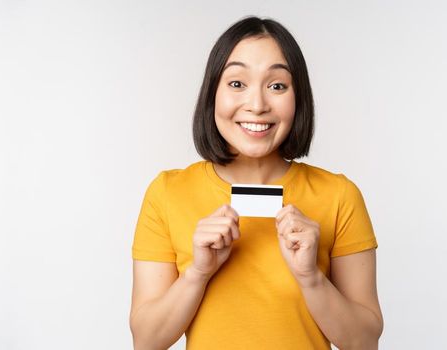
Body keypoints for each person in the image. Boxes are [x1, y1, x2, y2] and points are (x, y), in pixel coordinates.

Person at [129, 16, 382, 350]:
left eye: (277, 85)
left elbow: (365, 343)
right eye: (237, 83)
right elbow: (146, 341)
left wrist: (311, 279)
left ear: (298, 97)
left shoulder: (339, 196)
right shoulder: (167, 193)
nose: (258, 105)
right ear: (212, 93)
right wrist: (197, 274)